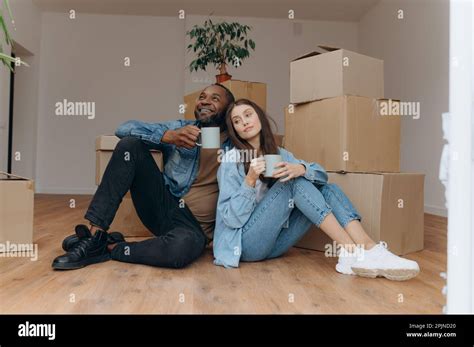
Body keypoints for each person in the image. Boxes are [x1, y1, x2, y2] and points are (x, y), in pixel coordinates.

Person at [213, 99, 420, 281]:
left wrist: (300, 168)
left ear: (259, 117)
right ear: (234, 130)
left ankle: (369, 248)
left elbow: (322, 175)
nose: (244, 122)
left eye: (248, 115)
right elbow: (231, 220)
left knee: (325, 188)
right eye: (237, 121)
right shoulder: (231, 160)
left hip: (275, 244)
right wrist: (249, 180)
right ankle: (351, 251)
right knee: (292, 183)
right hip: (243, 246)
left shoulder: (279, 154)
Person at [52, 84, 235, 270]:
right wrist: (168, 136)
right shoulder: (181, 128)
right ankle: (96, 233)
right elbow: (124, 128)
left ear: (229, 109)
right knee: (129, 146)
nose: (205, 101)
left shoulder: (237, 143)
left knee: (179, 249)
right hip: (164, 207)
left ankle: (109, 246)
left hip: (194, 230)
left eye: (215, 98)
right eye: (202, 96)